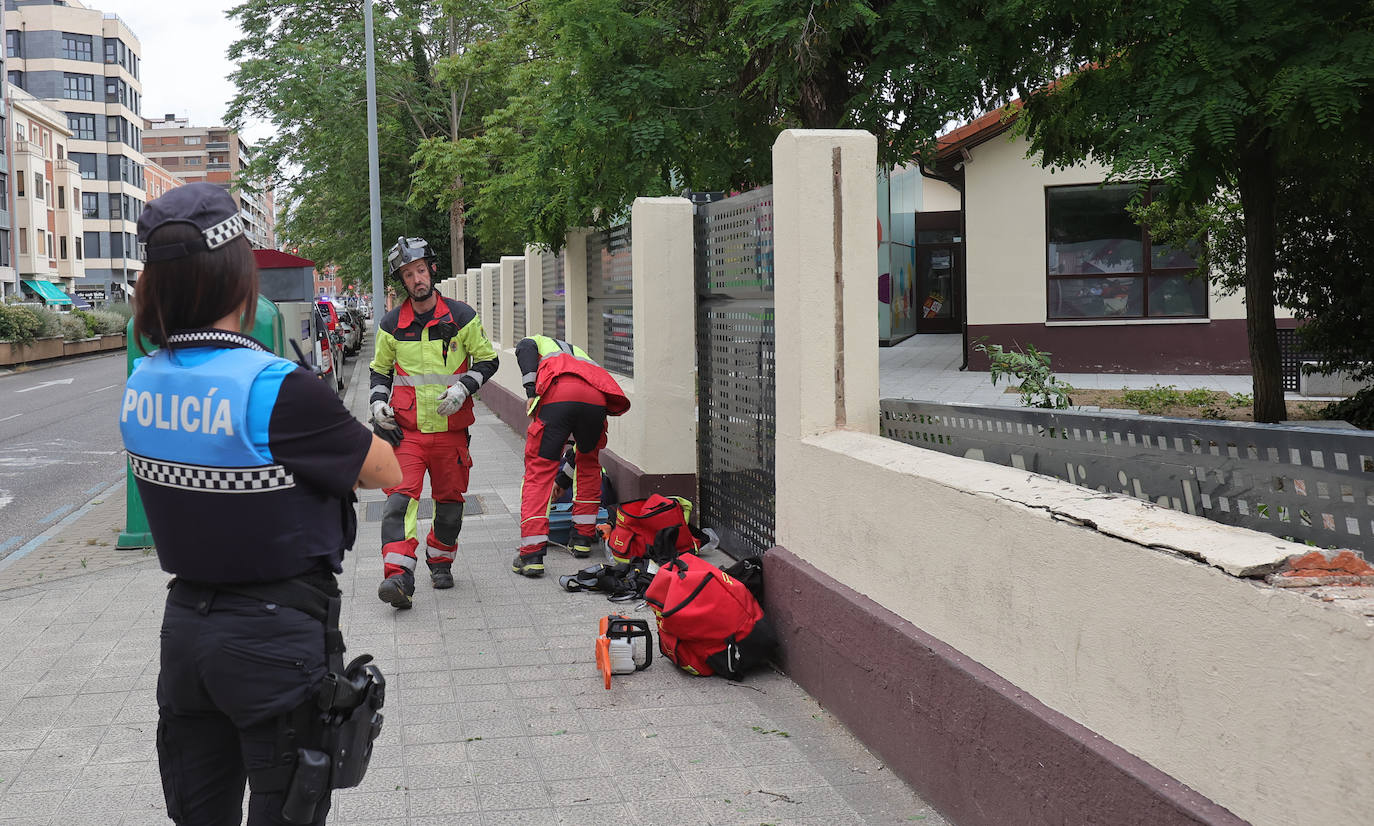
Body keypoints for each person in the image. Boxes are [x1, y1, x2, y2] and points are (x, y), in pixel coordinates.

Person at [118, 183, 402, 825]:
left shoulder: (143, 382)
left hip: (186, 631)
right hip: (276, 637)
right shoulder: (276, 388)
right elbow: (383, 469)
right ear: (237, 281)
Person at [369, 236, 499, 607]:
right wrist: (378, 402)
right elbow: (379, 371)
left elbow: (488, 360)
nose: (417, 279)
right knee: (398, 503)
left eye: (421, 270)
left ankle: (440, 562)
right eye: (408, 274)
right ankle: (398, 577)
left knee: (450, 504)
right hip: (406, 434)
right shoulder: (391, 324)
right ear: (403, 281)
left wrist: (463, 388)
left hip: (450, 433)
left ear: (432, 270)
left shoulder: (461, 317)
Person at [513, 334, 630, 577]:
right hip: (595, 400)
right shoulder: (579, 354)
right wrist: (563, 481)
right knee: (588, 463)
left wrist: (531, 392)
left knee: (540, 470)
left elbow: (524, 347)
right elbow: (575, 454)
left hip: (559, 394)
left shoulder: (537, 341)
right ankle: (582, 540)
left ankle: (531, 555)